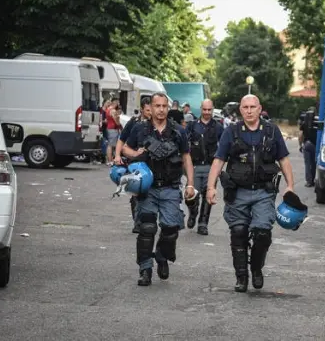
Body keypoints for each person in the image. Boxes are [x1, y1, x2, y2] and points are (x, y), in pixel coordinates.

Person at [206, 94, 295, 292]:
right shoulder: (232, 132)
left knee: (262, 233)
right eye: (245, 107)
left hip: (263, 192)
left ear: (259, 108)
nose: (248, 110)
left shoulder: (271, 131)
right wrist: (211, 187)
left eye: (252, 107)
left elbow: (284, 160)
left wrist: (290, 186)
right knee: (238, 232)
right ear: (240, 110)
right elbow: (219, 160)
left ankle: (255, 268)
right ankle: (241, 276)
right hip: (237, 191)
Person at [123, 92, 195, 286]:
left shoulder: (178, 131)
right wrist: (136, 153)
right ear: (151, 107)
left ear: (168, 108)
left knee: (171, 229)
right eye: (157, 106)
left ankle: (162, 256)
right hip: (147, 187)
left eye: (164, 106)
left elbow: (186, 157)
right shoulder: (140, 129)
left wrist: (190, 184)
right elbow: (125, 149)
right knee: (147, 228)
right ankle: (145, 269)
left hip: (171, 186)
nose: (161, 110)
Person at [185, 99, 224, 235]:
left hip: (211, 166)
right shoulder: (191, 126)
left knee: (208, 197)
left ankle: (203, 224)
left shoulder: (218, 127)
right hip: (194, 166)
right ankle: (193, 212)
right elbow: (184, 144)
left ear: (212, 109)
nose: (207, 112)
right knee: (190, 196)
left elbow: (224, 147)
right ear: (200, 109)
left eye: (209, 110)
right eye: (204, 109)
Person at [114, 96, 152, 234]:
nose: (150, 112)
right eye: (148, 110)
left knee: (148, 192)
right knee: (136, 191)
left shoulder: (155, 124)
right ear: (142, 110)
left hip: (150, 162)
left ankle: (146, 220)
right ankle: (137, 221)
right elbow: (122, 140)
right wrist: (118, 156)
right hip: (134, 161)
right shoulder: (134, 123)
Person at [299, 106, 317, 187]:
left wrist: (300, 145)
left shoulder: (304, 123)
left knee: (307, 164)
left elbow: (300, 135)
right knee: (313, 163)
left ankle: (309, 181)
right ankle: (313, 179)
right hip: (315, 145)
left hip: (306, 144)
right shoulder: (317, 122)